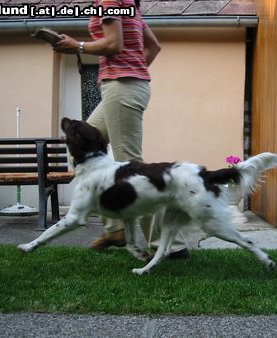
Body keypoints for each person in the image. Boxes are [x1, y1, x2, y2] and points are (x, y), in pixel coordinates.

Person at [53, 0, 188, 258]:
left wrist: (76, 46)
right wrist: (134, 71)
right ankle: (116, 229)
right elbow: (154, 46)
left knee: (133, 170)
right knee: (81, 145)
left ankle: (170, 245)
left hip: (121, 87)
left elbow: (113, 45)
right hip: (126, 86)